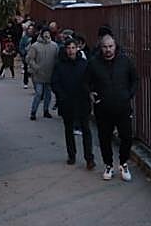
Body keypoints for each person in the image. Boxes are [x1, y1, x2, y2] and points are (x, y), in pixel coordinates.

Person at [87, 33, 139, 181]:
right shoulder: (93, 63)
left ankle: (123, 163)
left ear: (115, 46)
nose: (108, 49)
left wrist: (129, 95)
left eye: (110, 46)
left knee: (127, 138)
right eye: (105, 47)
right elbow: (86, 82)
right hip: (103, 108)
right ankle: (108, 165)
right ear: (101, 47)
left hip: (123, 107)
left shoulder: (125, 61)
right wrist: (91, 93)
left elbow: (135, 79)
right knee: (104, 138)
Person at [51, 38, 95, 169]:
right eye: (68, 48)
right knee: (68, 130)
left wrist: (89, 92)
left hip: (82, 102)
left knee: (86, 130)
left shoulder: (84, 64)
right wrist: (62, 96)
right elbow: (55, 82)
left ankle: (89, 158)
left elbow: (91, 81)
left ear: (77, 49)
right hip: (67, 103)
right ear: (65, 49)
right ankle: (72, 155)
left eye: (73, 48)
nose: (71, 51)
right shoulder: (60, 65)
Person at [26, 28, 58, 120]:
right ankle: (33, 112)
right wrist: (36, 67)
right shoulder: (35, 46)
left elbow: (56, 59)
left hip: (49, 73)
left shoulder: (54, 46)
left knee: (48, 94)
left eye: (48, 33)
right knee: (39, 93)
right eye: (45, 33)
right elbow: (29, 59)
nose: (47, 35)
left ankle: (46, 111)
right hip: (38, 74)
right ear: (42, 34)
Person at [18, 22, 35, 88]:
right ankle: (25, 82)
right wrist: (23, 53)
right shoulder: (24, 38)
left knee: (34, 70)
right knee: (26, 69)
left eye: (32, 29)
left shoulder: (35, 37)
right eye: (29, 29)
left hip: (34, 56)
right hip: (26, 55)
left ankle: (34, 82)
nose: (30, 30)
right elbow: (21, 46)